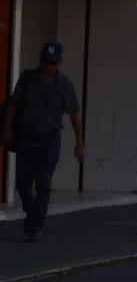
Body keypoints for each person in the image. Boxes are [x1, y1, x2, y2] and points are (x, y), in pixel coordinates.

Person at [2, 41, 84, 242]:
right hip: (26, 139)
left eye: (52, 63)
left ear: (59, 64)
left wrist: (79, 142)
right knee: (22, 183)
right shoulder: (28, 79)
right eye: (44, 61)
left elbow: (74, 114)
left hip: (49, 140)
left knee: (44, 183)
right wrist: (6, 129)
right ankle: (33, 216)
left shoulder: (64, 85)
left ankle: (35, 226)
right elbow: (14, 104)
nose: (47, 66)